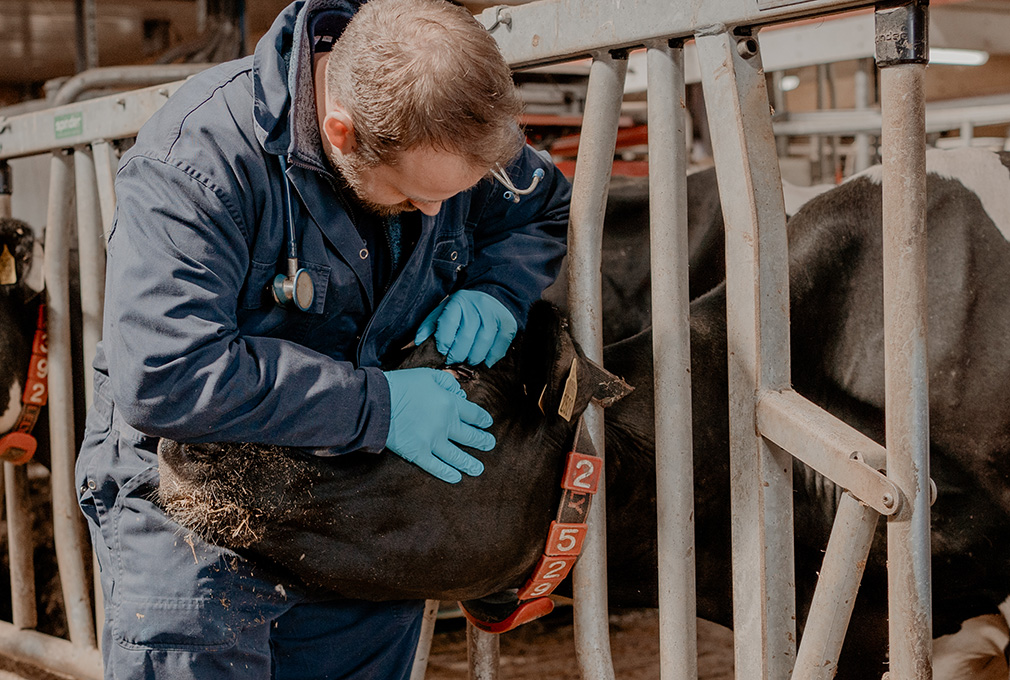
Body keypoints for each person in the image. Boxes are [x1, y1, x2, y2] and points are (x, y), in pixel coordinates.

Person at [74, 0, 570, 677]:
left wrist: (497, 287)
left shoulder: (443, 133)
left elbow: (539, 204)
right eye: (414, 197)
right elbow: (168, 372)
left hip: (355, 496)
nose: (435, 213)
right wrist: (378, 408)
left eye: (452, 196)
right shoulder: (197, 163)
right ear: (341, 132)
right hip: (196, 502)